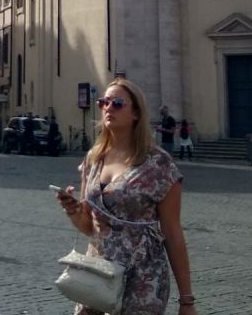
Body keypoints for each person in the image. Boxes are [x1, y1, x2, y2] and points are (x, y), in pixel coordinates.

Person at [55, 78, 195, 315]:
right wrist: (73, 210)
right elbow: (89, 225)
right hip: (97, 275)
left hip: (143, 279)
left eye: (117, 103)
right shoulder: (93, 159)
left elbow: (173, 234)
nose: (108, 108)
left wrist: (187, 301)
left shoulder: (159, 164)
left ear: (136, 113)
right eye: (104, 102)